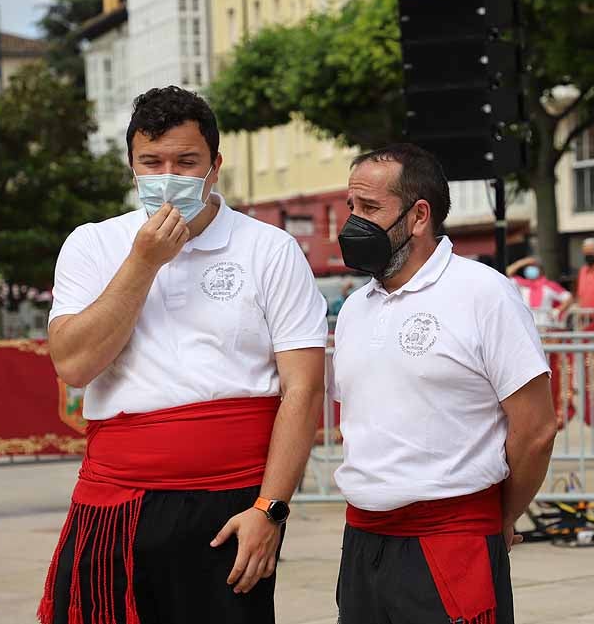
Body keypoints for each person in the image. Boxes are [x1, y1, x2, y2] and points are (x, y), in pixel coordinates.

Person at [38, 86, 328, 624]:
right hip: (116, 495)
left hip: (232, 501)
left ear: (214, 166)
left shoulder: (268, 248)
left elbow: (304, 388)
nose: (168, 174)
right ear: (131, 166)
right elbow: (74, 365)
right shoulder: (93, 244)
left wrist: (271, 509)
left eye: (185, 161)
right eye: (151, 162)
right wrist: (142, 263)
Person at [330, 144, 557, 624]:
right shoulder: (354, 308)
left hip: (450, 542)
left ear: (418, 216)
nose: (353, 223)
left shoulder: (483, 293)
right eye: (352, 208)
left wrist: (499, 517)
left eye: (370, 209)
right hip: (363, 543)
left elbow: (535, 429)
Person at [507, 256, 572, 329]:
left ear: (540, 269)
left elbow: (568, 297)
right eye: (528, 267)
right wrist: (523, 262)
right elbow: (507, 273)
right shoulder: (521, 285)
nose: (531, 269)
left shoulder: (549, 286)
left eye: (534, 267)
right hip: (529, 328)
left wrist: (557, 310)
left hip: (546, 328)